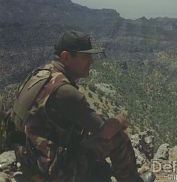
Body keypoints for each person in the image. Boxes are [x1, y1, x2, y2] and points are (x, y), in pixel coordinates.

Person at [11, 30, 155, 182]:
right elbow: (106, 132)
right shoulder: (65, 92)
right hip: (53, 174)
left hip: (30, 163)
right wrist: (119, 120)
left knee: (89, 129)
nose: (91, 61)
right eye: (85, 56)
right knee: (117, 136)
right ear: (65, 57)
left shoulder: (40, 74)